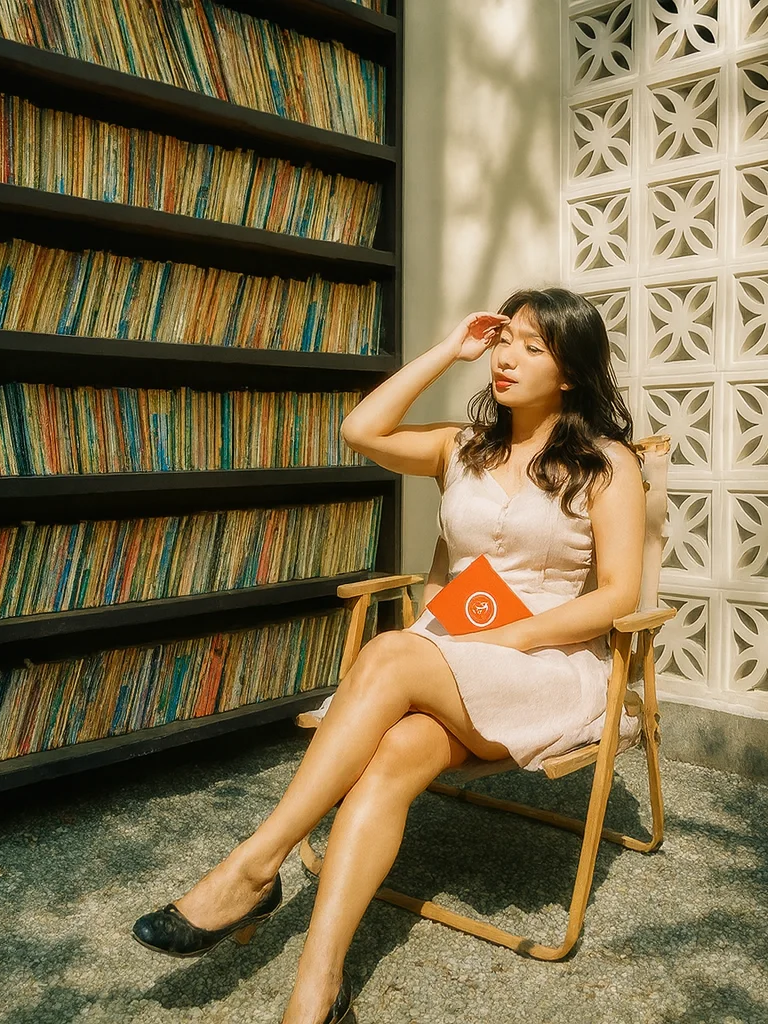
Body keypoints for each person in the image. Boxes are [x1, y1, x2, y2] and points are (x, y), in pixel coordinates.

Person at [130, 287, 646, 1024]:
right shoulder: (460, 448)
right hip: (449, 665)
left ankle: (254, 865)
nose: (507, 356)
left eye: (534, 346)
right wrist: (448, 349)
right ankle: (318, 989)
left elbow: (618, 595)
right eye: (505, 339)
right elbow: (361, 427)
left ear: (569, 372)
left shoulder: (605, 462)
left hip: (547, 666)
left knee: (394, 650)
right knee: (397, 749)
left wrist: (501, 639)